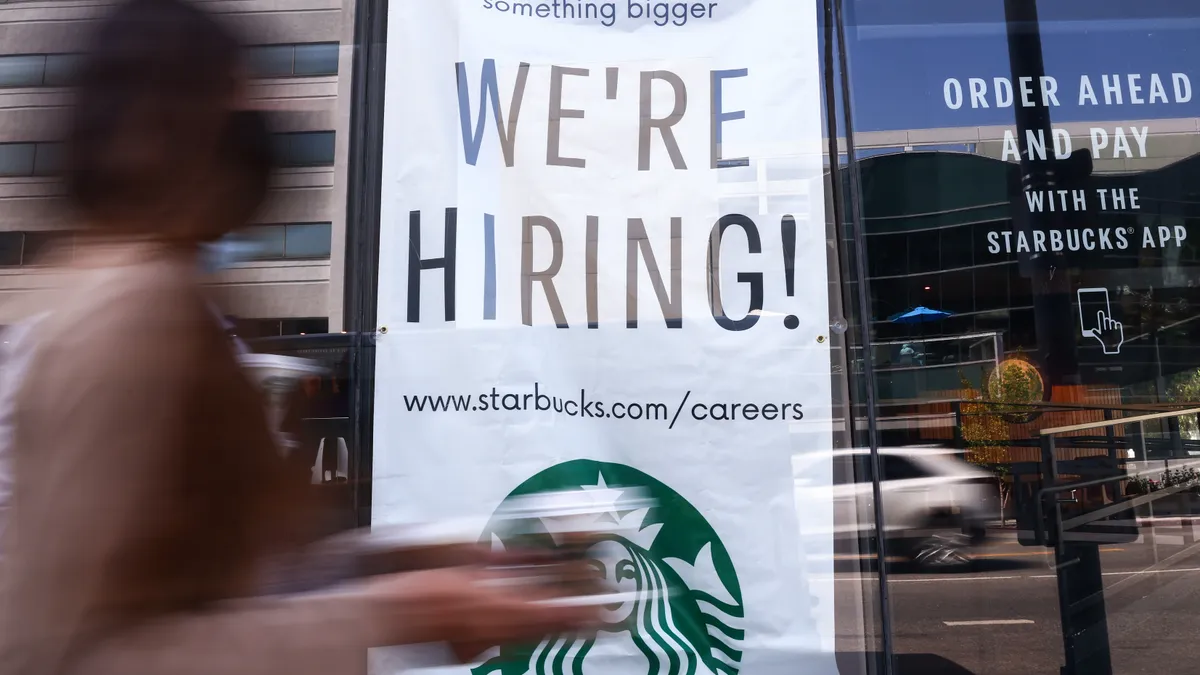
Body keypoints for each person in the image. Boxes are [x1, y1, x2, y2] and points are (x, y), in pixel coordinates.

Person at [0, 1, 597, 674]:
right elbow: (84, 651)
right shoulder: (131, 314)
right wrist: (404, 609)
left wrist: (410, 561)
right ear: (168, 122)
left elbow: (219, 577)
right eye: (240, 95)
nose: (267, 123)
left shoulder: (160, 294)